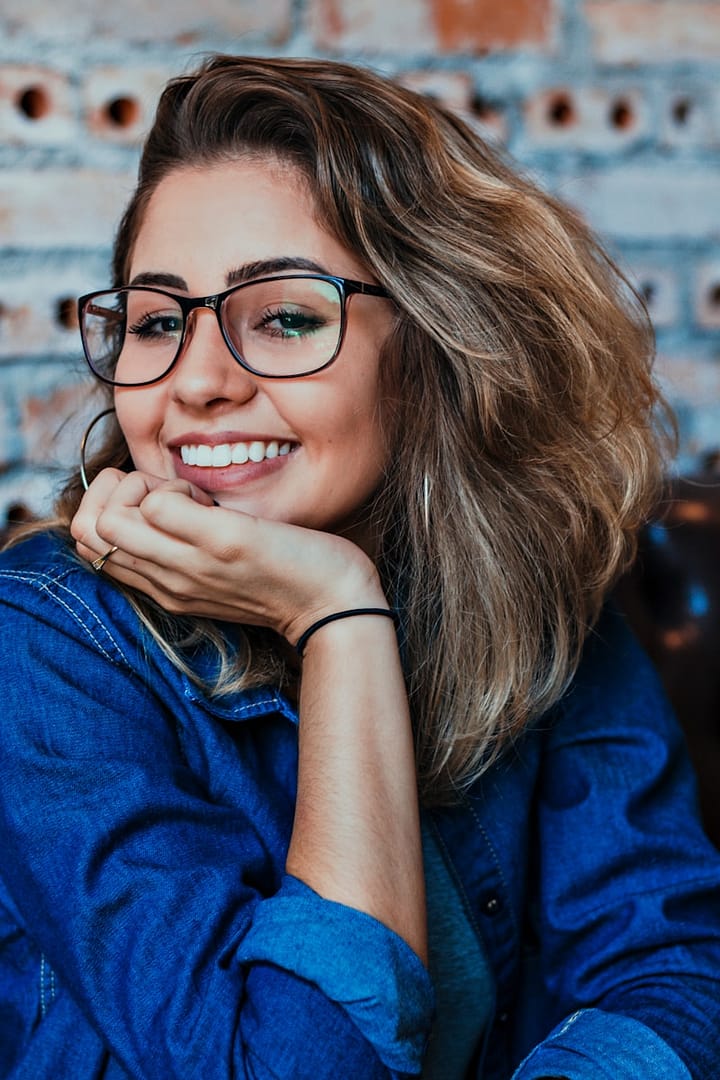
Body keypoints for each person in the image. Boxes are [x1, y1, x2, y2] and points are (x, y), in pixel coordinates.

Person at [0, 54, 718, 1080]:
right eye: (159, 321)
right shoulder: (45, 645)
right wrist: (337, 615)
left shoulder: (538, 595)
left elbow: (671, 967)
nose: (195, 380)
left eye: (286, 316)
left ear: (433, 347)